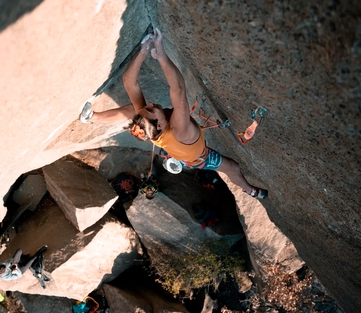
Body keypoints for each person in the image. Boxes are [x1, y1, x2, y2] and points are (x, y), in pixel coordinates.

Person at [80, 27, 268, 199]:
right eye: (152, 109)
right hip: (198, 158)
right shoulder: (180, 129)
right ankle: (250, 190)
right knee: (233, 167)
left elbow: (129, 82)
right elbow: (178, 88)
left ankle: (91, 117)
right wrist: (161, 54)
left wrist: (143, 50)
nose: (151, 103)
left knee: (132, 110)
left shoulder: (150, 127)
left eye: (148, 107)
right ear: (160, 125)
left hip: (179, 155)